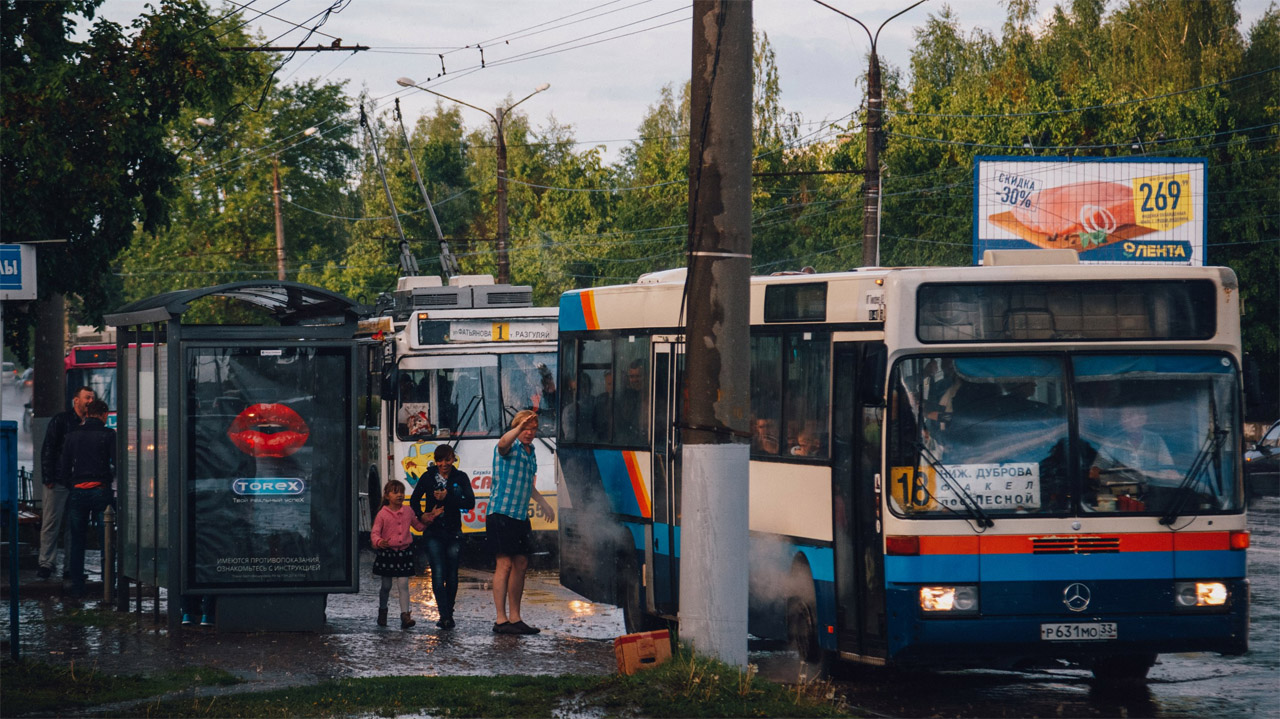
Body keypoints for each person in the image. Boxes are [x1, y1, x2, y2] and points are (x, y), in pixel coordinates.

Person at [488, 409, 555, 635]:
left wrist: (544, 503)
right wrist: (518, 427)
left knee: (521, 564)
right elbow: (502, 443)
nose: (529, 433)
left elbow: (528, 483)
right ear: (517, 427)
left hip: (519, 515)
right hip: (501, 512)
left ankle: (515, 617)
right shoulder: (510, 446)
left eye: (533, 429)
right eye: (526, 428)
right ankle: (501, 619)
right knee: (504, 564)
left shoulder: (531, 451)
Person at [410, 444, 476, 629]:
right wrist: (422, 515)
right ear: (435, 461)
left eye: (447, 459)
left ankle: (449, 612)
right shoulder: (428, 476)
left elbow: (470, 502)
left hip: (454, 531)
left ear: (453, 459)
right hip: (433, 532)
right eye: (440, 460)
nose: (444, 464)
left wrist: (448, 497)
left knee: (452, 575)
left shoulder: (460, 477)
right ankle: (444, 615)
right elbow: (415, 499)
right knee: (438, 573)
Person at [57, 399, 114, 599]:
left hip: (77, 491)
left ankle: (77, 587)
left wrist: (72, 485)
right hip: (100, 490)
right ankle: (108, 585)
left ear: (88, 414)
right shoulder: (108, 435)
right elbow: (117, 463)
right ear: (104, 414)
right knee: (105, 539)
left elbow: (63, 468)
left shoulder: (72, 436)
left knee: (76, 541)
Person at [37, 386, 96, 580]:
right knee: (52, 523)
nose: (90, 401)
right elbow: (49, 449)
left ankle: (67, 566)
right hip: (61, 480)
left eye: (92, 398)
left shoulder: (80, 422)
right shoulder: (62, 421)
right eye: (87, 397)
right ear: (76, 400)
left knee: (72, 524)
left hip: (76, 482)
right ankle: (48, 563)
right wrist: (49, 478)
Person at [372, 479, 439, 629]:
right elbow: (375, 532)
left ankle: (405, 616)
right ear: (387, 495)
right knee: (386, 585)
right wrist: (379, 542)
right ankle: (383, 611)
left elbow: (418, 526)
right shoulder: (382, 514)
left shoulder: (408, 511)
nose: (400, 495)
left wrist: (431, 518)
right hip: (387, 553)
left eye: (402, 492)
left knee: (403, 585)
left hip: (403, 552)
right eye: (395, 492)